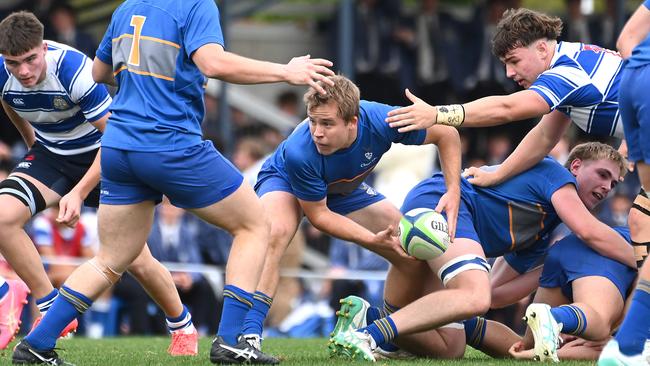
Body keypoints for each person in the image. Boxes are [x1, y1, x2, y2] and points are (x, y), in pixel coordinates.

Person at [12, 0, 335, 364]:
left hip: (118, 146)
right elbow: (212, 63)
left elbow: (99, 71)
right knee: (254, 224)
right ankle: (230, 341)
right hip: (169, 144)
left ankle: (36, 344)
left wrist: (144, 76)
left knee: (110, 260)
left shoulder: (126, 8)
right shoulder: (195, 4)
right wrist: (285, 71)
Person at [0, 11, 200, 356]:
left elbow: (113, 137)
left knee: (134, 258)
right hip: (54, 155)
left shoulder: (74, 70)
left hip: (108, 156)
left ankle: (182, 326)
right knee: (2, 218)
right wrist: (33, 145)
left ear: (44, 47)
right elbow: (10, 102)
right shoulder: (4, 73)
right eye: (14, 64)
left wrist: (78, 193)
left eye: (31, 60)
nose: (24, 71)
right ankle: (50, 308)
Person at [330, 142, 636, 361]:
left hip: (455, 223)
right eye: (603, 175)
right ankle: (369, 337)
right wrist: (642, 261)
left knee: (451, 345)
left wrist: (554, 272)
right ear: (576, 166)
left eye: (614, 182)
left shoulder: (542, 234)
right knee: (473, 295)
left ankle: (367, 318)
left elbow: (497, 293)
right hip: (444, 203)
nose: (608, 187)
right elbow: (589, 231)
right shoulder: (554, 174)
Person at [239, 74, 462, 351]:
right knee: (276, 235)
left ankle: (389, 332)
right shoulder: (301, 151)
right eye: (313, 121)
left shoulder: (383, 120)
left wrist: (453, 191)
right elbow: (319, 216)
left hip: (344, 189)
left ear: (352, 122)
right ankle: (248, 336)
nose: (317, 132)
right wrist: (370, 240)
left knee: (412, 248)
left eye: (327, 123)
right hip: (285, 179)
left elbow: (446, 133)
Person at [598, 1, 650, 364]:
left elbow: (627, 38)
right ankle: (630, 346)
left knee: (645, 212)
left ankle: (634, 341)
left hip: (633, 82)